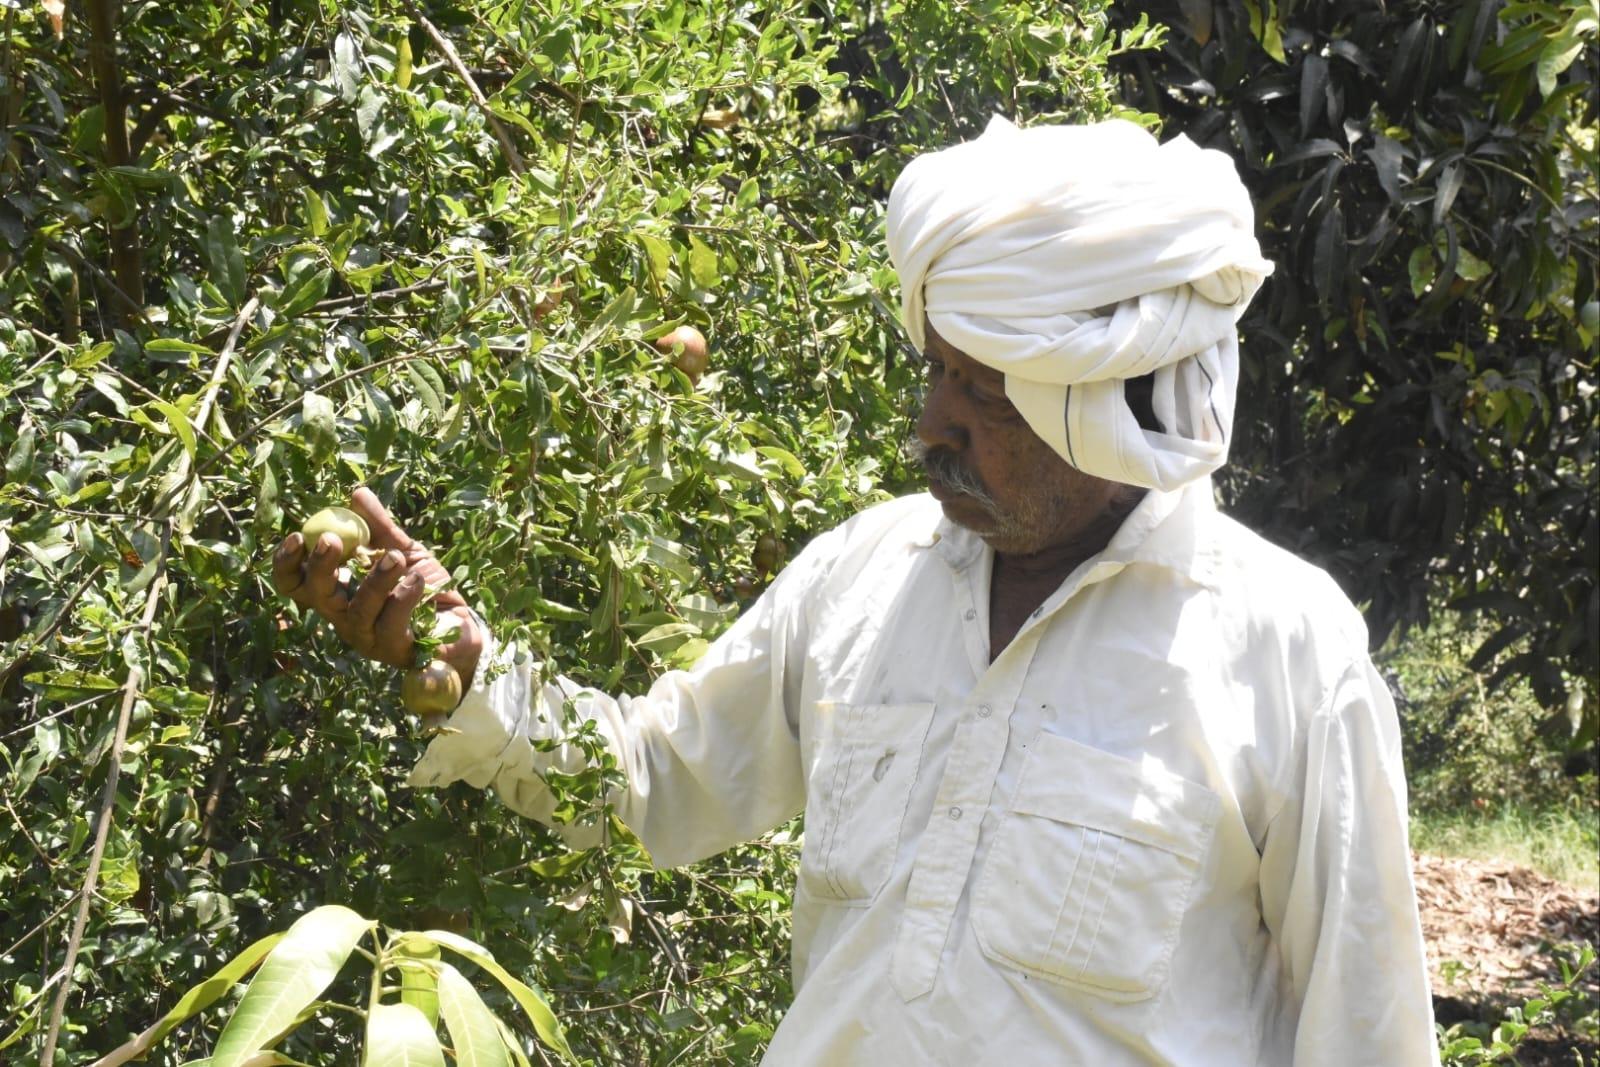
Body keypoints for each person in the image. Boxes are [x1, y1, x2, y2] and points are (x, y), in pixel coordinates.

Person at [273, 116, 1440, 1065]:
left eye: (982, 389)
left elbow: (1365, 1029)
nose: (930, 422)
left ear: (1103, 399)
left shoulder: (1283, 653)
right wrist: (471, 669)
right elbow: (656, 776)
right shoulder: (861, 577)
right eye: (934, 367)